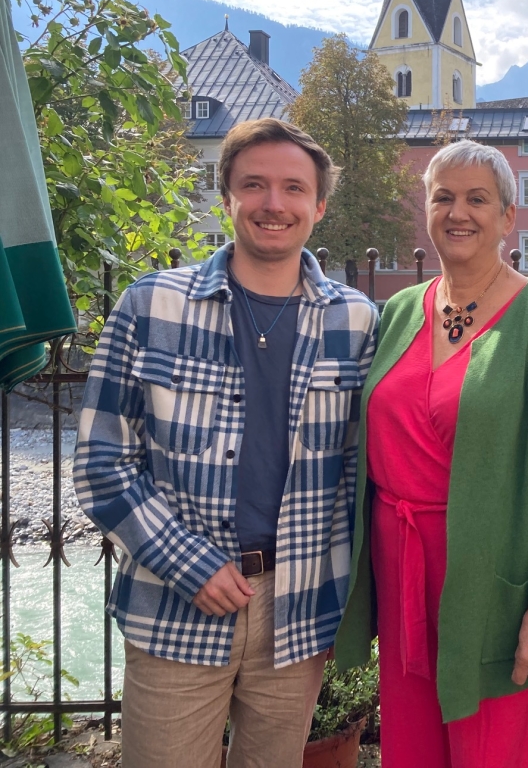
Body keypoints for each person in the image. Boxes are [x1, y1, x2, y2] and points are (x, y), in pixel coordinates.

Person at [73, 118, 378, 768]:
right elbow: (102, 461)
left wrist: (349, 607)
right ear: (226, 197)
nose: (274, 203)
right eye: (255, 184)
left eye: (294, 188)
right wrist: (189, 564)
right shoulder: (151, 306)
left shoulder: (356, 321)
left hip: (298, 607)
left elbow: (359, 476)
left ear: (319, 206)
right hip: (176, 600)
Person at [335, 139, 528, 768]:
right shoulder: (400, 310)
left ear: (508, 216)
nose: (459, 213)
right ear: (425, 209)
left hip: (493, 580)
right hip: (402, 572)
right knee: (413, 746)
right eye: (443, 197)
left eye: (478, 199)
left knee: (494, 749)